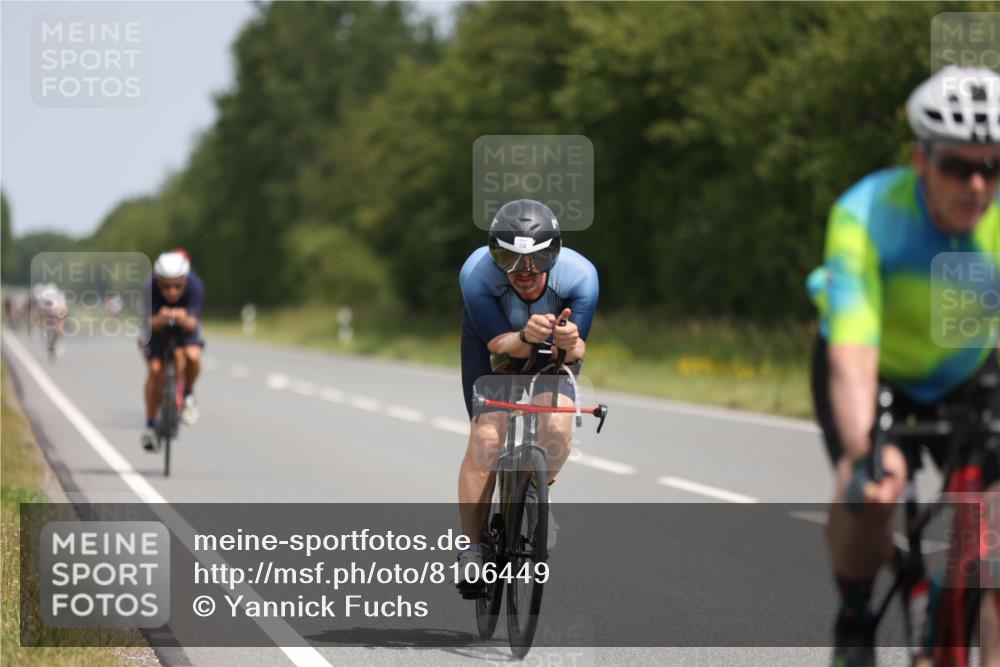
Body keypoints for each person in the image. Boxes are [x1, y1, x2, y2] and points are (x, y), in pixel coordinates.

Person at [807, 67, 1000, 666]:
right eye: (956, 167)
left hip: (967, 369)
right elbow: (853, 348)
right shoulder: (866, 213)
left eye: (992, 167)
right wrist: (866, 449)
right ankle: (855, 609)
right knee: (876, 485)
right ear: (921, 159)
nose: (976, 185)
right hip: (877, 369)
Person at [455, 198, 598, 597]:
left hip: (550, 349)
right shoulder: (476, 274)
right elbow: (500, 345)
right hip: (495, 344)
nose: (525, 272)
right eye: (510, 259)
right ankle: (472, 548)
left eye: (538, 259)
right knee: (486, 438)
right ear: (494, 255)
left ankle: (537, 490)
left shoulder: (581, 276)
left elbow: (576, 352)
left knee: (557, 424)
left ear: (556, 252)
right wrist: (524, 336)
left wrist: (569, 342)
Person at [141, 250, 205, 451]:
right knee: (155, 370)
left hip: (185, 329)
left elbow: (193, 324)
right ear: (158, 281)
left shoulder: (195, 285)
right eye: (166, 286)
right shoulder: (149, 286)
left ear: (185, 280)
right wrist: (161, 319)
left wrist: (181, 318)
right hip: (157, 330)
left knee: (192, 356)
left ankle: (187, 393)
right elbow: (147, 323)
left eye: (177, 286)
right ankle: (150, 425)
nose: (172, 292)